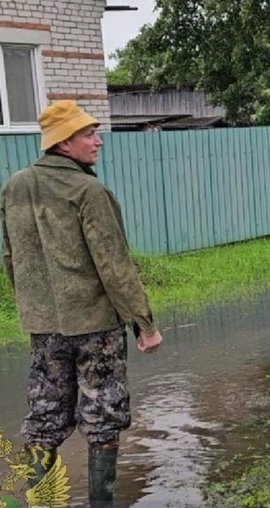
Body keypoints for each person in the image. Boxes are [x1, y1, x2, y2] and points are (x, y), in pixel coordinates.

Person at [0, 100, 163, 507]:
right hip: (94, 327)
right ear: (64, 143)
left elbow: (10, 258)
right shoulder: (88, 190)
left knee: (44, 415)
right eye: (89, 134)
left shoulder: (15, 186)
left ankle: (41, 503)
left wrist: (32, 305)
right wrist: (144, 324)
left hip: (44, 327)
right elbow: (115, 264)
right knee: (103, 416)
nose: (99, 140)